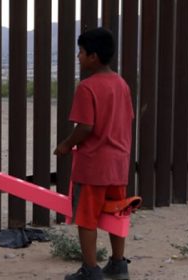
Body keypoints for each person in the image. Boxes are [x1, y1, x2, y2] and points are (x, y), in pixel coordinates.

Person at [54, 27, 134, 280]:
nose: (78, 57)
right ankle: (118, 264)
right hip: (118, 165)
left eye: (81, 52)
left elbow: (86, 127)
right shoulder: (121, 84)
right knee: (116, 213)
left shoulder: (87, 88)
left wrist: (66, 144)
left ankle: (90, 270)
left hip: (93, 166)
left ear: (94, 56)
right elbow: (126, 119)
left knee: (87, 218)